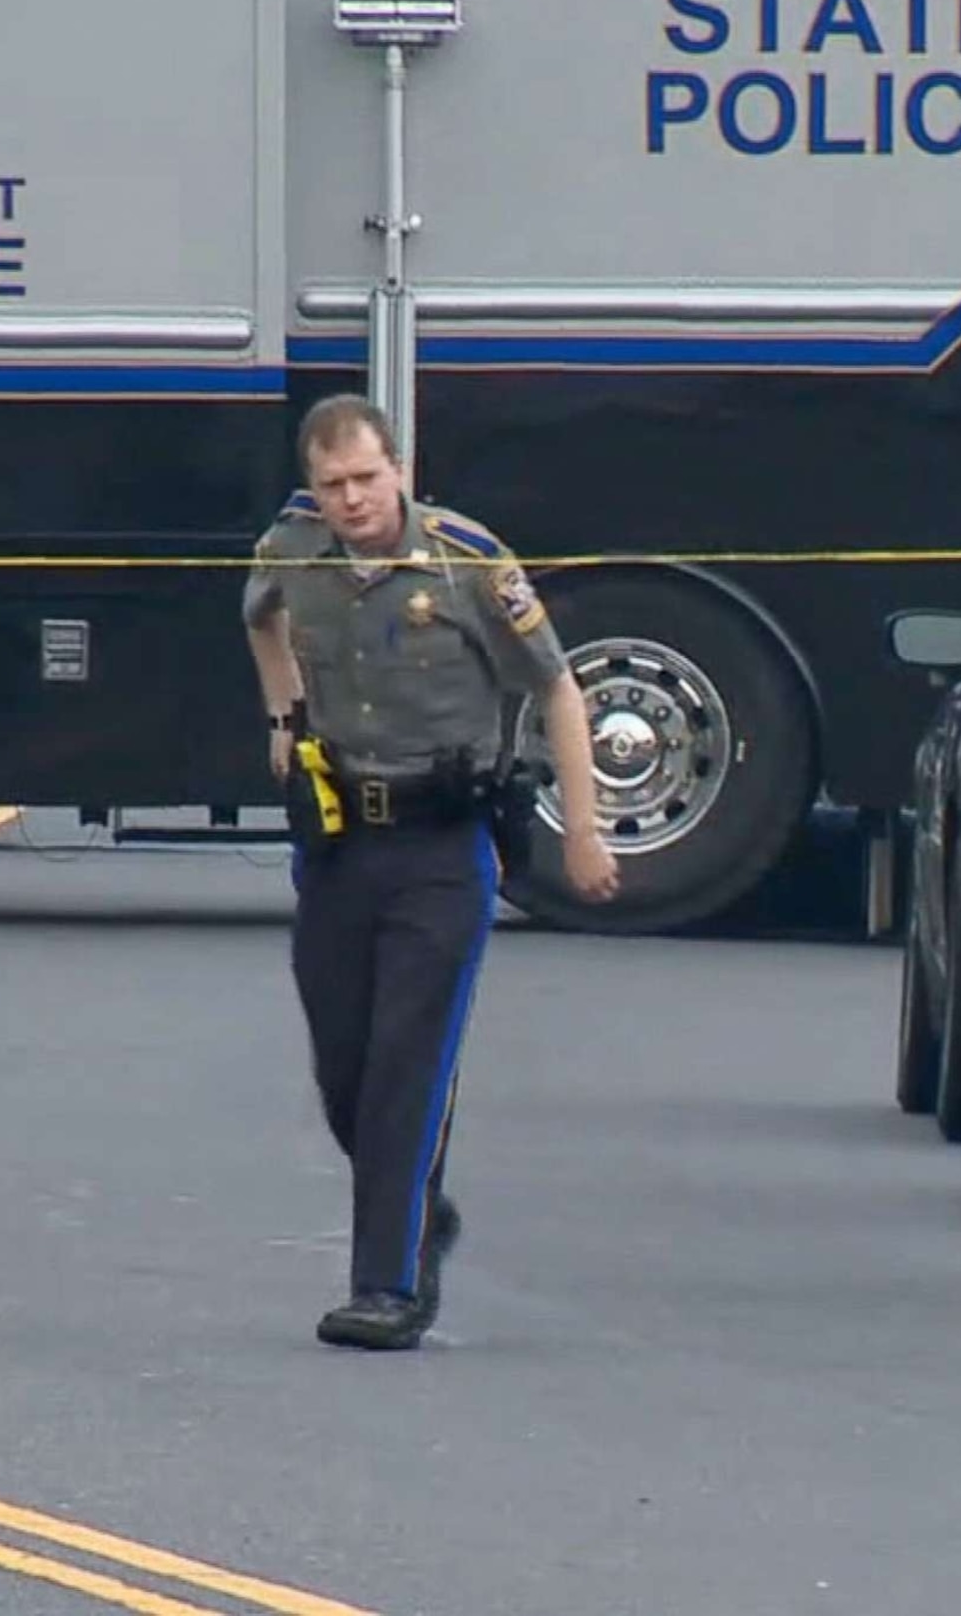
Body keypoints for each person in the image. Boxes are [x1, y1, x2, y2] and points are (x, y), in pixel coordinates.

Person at [242, 393, 620, 1350]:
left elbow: (559, 687)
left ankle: (388, 1287)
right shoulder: (292, 550)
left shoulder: (465, 561)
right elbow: (261, 619)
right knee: (344, 1072)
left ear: (399, 470)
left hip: (442, 846)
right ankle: (418, 1208)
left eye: (367, 479)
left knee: (406, 1066)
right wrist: (284, 723)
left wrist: (584, 830)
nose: (353, 500)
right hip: (338, 844)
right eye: (334, 486)